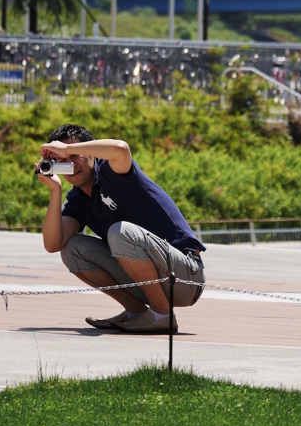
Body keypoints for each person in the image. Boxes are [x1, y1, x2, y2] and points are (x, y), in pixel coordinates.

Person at [36, 124, 206, 333]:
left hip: (186, 276)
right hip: (152, 280)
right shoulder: (77, 199)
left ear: (91, 153)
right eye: (61, 162)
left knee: (120, 232)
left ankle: (162, 315)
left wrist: (65, 149)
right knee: (72, 249)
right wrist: (55, 191)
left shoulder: (111, 171)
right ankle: (137, 312)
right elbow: (53, 244)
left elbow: (121, 148)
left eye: (75, 155)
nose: (70, 163)